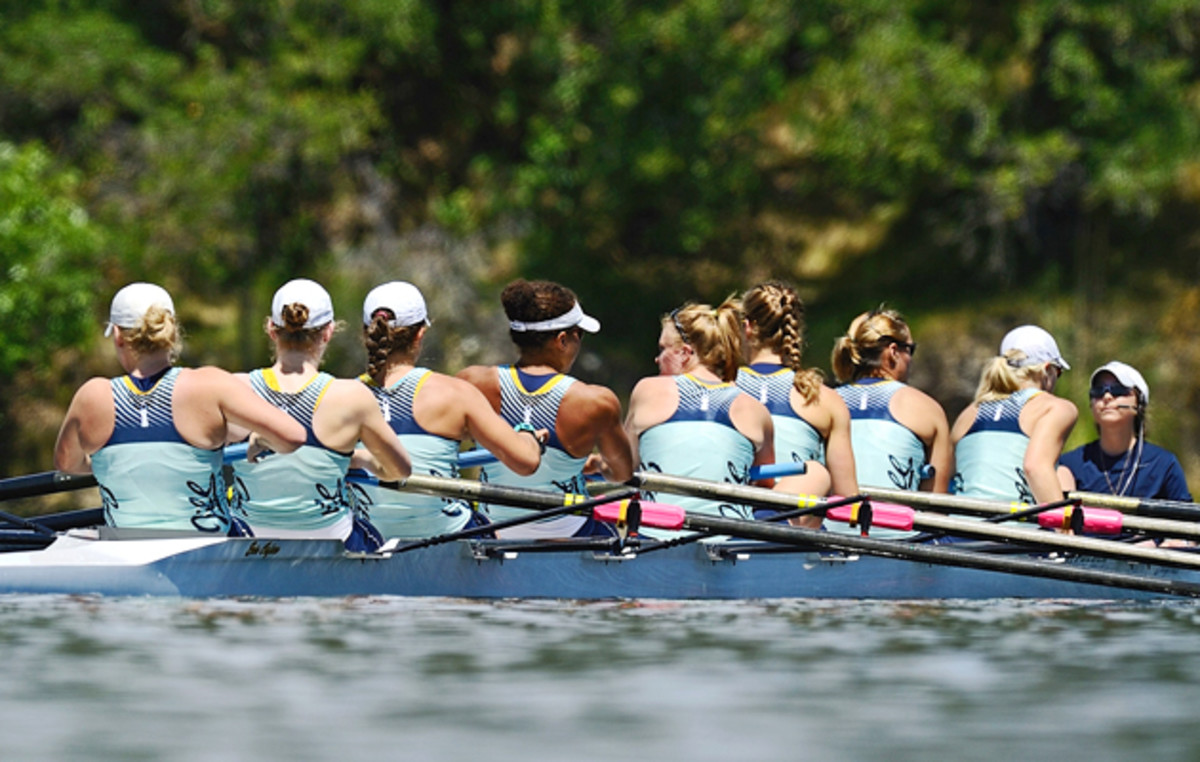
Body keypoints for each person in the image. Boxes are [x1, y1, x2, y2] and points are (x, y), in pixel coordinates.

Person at [54, 282, 307, 533]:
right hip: (207, 554)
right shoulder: (209, 384)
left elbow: (67, 464)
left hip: (127, 552)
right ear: (172, 332)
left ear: (118, 336)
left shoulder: (92, 396)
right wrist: (260, 440)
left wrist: (122, 465)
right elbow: (293, 436)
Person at [350, 281, 544, 539]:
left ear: (366, 334)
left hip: (369, 541)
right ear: (420, 334)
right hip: (447, 541)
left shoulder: (338, 398)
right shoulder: (455, 394)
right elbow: (526, 462)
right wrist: (527, 435)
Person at [225, 278, 411, 545]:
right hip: (329, 540)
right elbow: (400, 469)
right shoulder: (351, 396)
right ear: (328, 332)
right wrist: (363, 460)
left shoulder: (234, 388)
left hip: (250, 542)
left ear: (271, 329)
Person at [456, 279, 633, 538]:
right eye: (578, 335)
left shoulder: (471, 383)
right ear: (562, 340)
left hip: (493, 531)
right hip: (569, 532)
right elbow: (622, 473)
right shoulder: (596, 401)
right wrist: (597, 465)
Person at [624, 298, 774, 530]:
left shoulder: (647, 390)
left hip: (654, 540)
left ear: (685, 353)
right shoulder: (755, 410)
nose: (657, 359)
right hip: (728, 543)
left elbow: (623, 470)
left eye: (663, 349)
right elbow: (765, 486)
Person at [736, 281, 857, 528]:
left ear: (746, 327)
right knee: (816, 473)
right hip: (792, 540)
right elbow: (848, 504)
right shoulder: (824, 400)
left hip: (725, 528)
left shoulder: (723, 387)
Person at [830, 307, 953, 495]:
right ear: (894, 351)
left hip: (831, 521)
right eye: (911, 349)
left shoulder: (826, 402)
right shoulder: (927, 408)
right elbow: (936, 504)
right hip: (892, 523)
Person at [952, 325, 1078, 505]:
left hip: (958, 527)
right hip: (1011, 529)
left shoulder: (968, 414)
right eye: (1059, 373)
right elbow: (1036, 468)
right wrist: (1065, 530)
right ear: (1048, 370)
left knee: (1062, 472)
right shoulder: (1056, 408)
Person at [1058, 361, 1191, 501]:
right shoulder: (1070, 464)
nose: (1107, 397)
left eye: (1118, 390)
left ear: (1139, 404)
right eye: (1098, 391)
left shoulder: (1163, 464)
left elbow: (1187, 519)